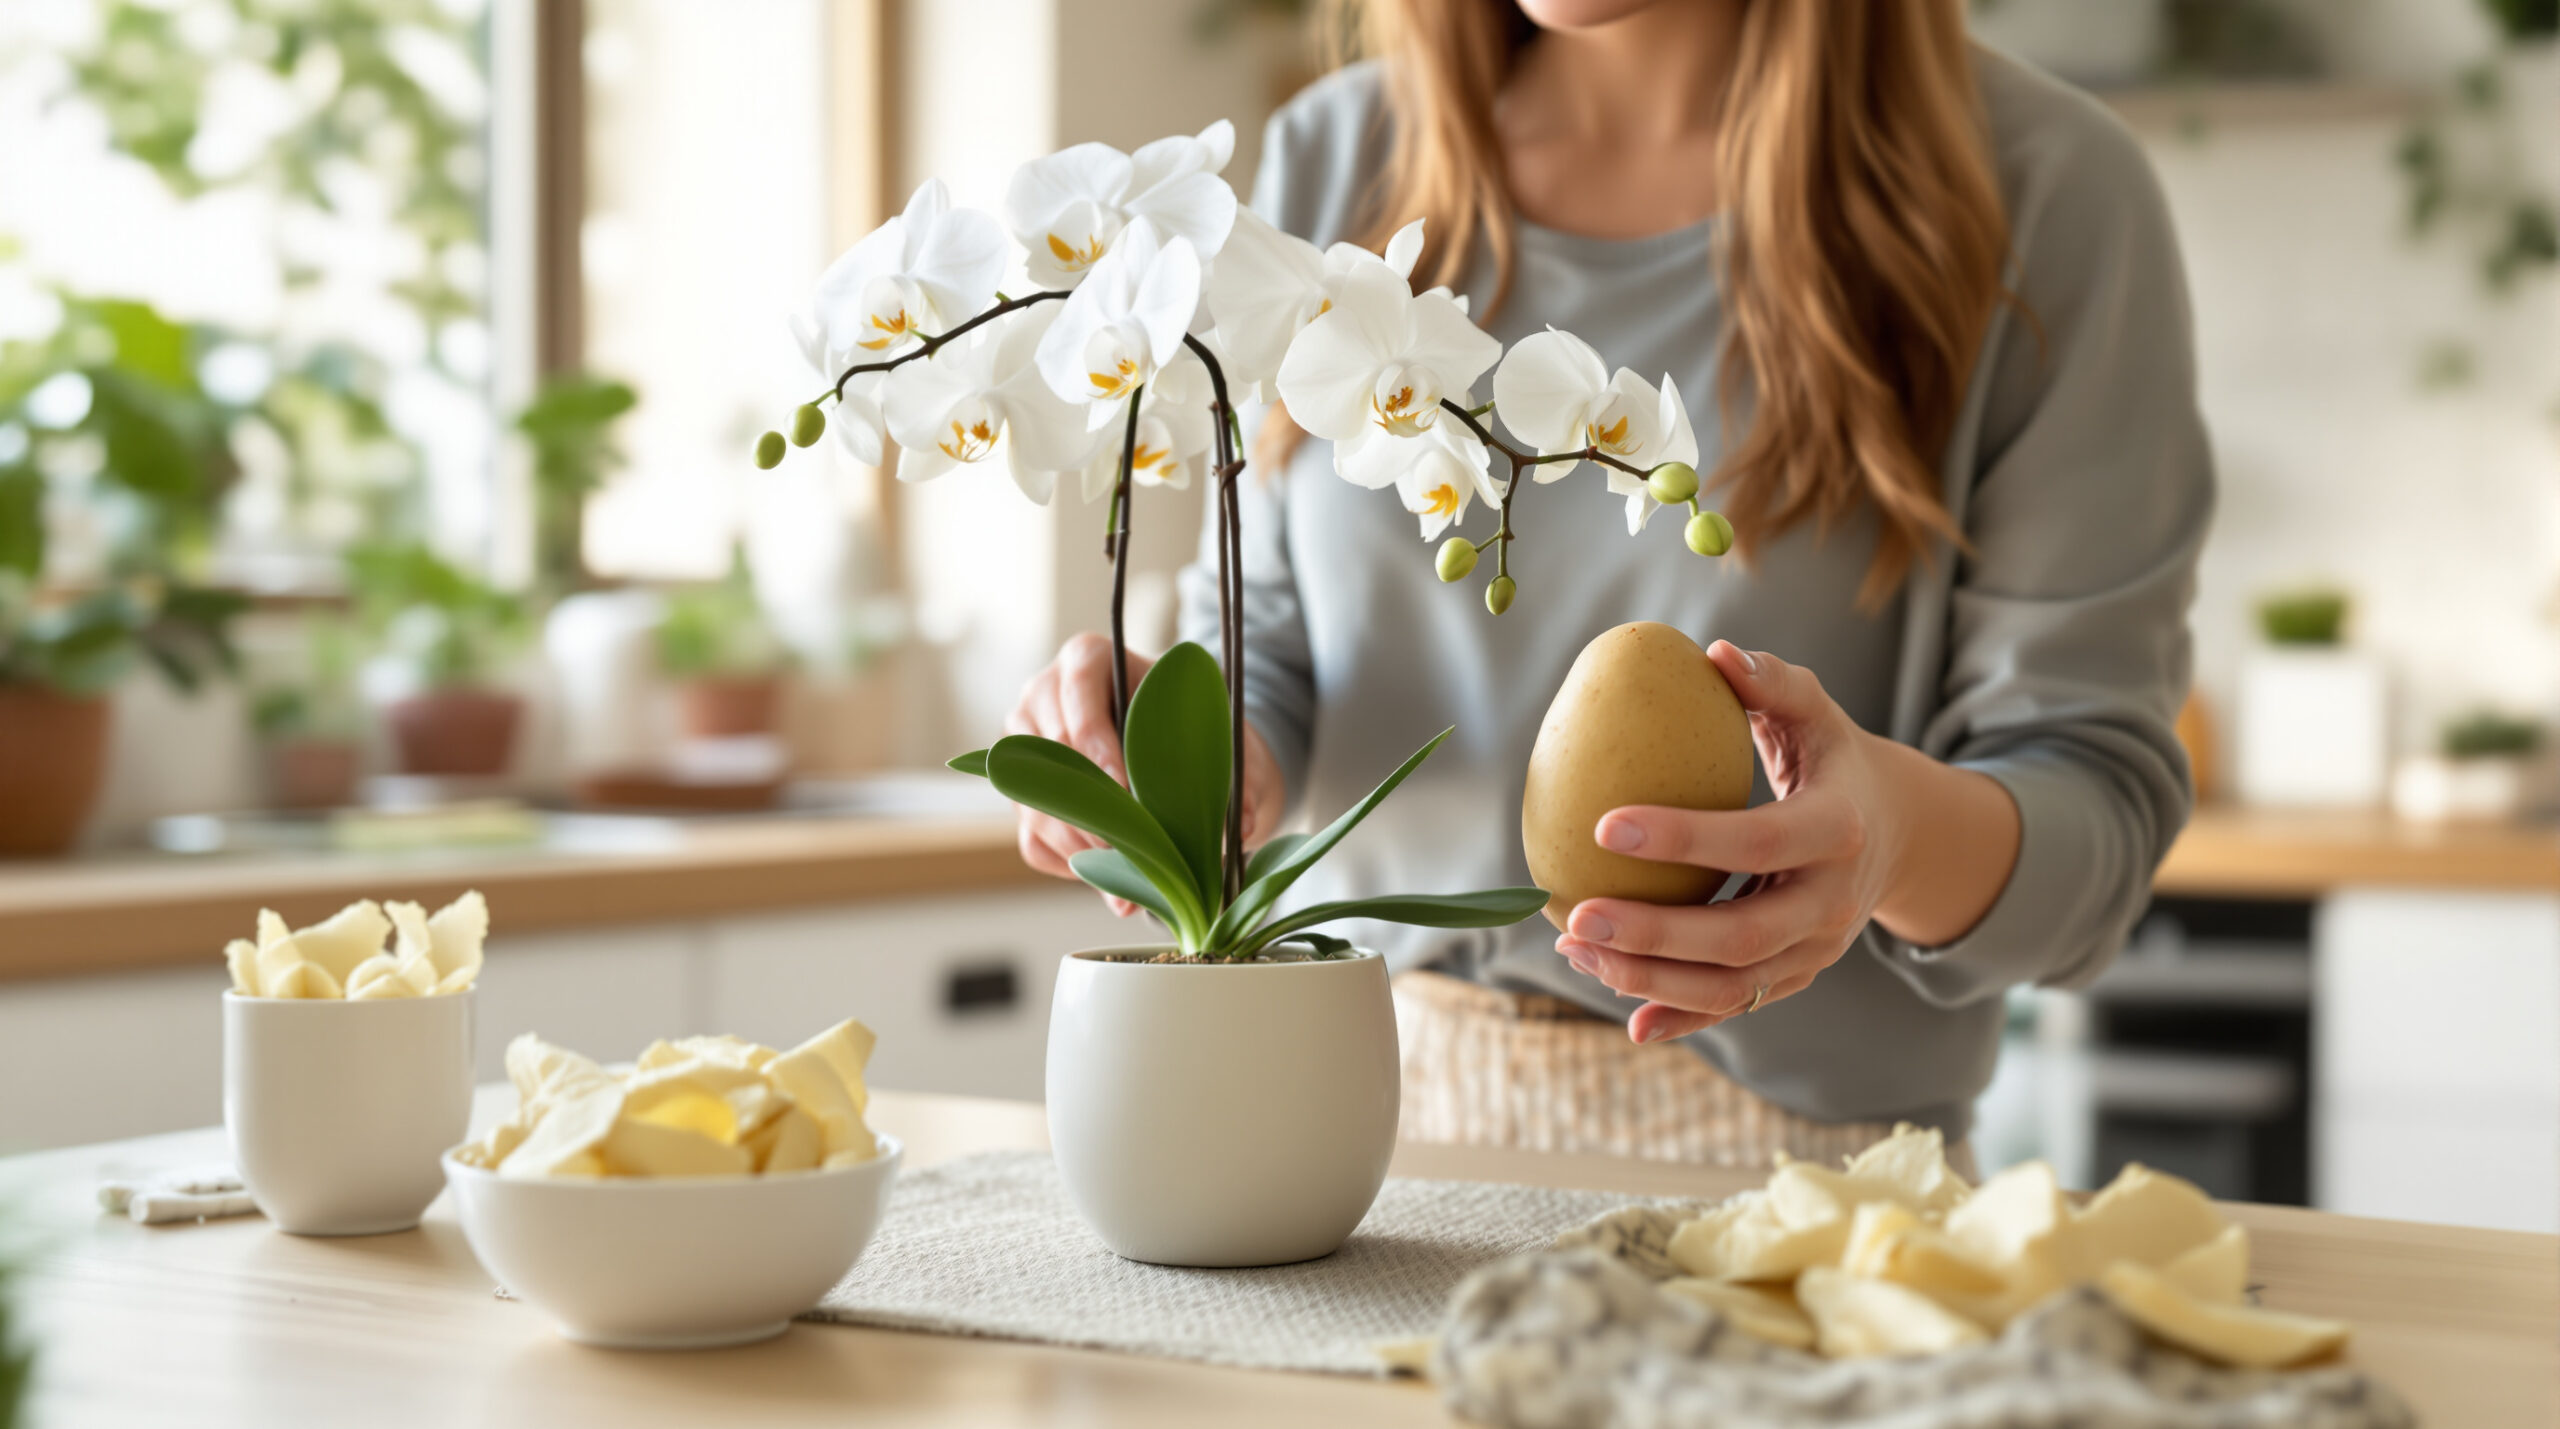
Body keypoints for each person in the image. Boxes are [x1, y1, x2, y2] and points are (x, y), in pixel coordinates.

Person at [1005, 0, 2210, 1172]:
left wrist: (1883, 838)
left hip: (1792, 1194)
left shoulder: (2046, 192)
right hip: (1339, 1154)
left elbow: (2088, 828)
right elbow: (1272, 644)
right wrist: (1183, 762)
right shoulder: (1336, 156)